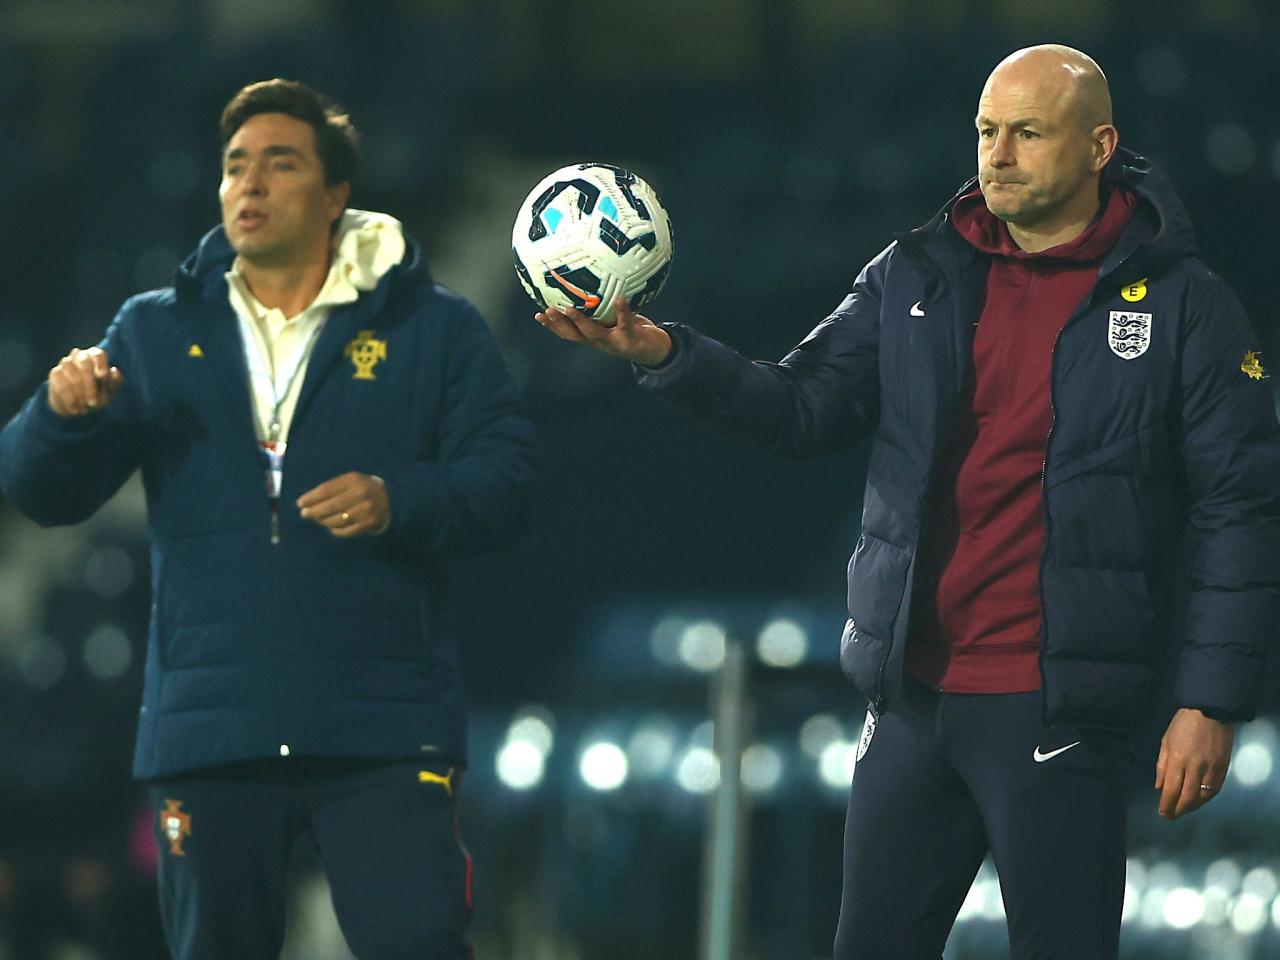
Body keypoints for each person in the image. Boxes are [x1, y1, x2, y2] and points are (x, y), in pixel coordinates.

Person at [534, 44, 1280, 959]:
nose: (996, 154)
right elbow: (801, 406)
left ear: (1099, 147)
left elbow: (1240, 508)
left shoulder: (1184, 306)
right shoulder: (915, 274)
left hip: (1057, 712)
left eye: (1027, 133)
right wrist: (664, 354)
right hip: (913, 705)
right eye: (986, 132)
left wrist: (1212, 701)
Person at [0, 79, 536, 959]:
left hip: (384, 733)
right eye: (234, 167)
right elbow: (41, 494)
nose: (248, 184)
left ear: (334, 197)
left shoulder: (436, 330)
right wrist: (57, 419)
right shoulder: (154, 332)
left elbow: (510, 483)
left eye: (279, 164)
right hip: (214, 737)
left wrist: (401, 500)